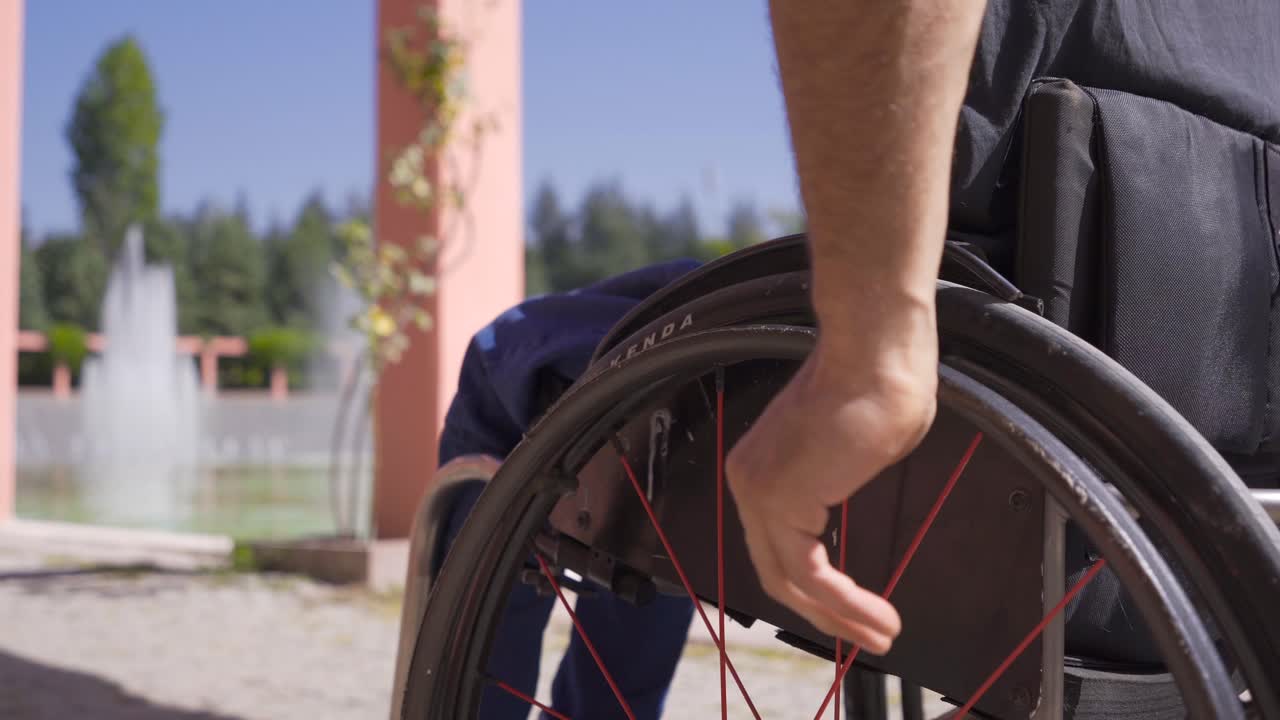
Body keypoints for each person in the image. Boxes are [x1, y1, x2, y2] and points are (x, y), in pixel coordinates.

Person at [421, 1, 1279, 716]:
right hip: (1206, 439)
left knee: (509, 367)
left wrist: (875, 342)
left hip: (973, 363)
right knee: (661, 403)